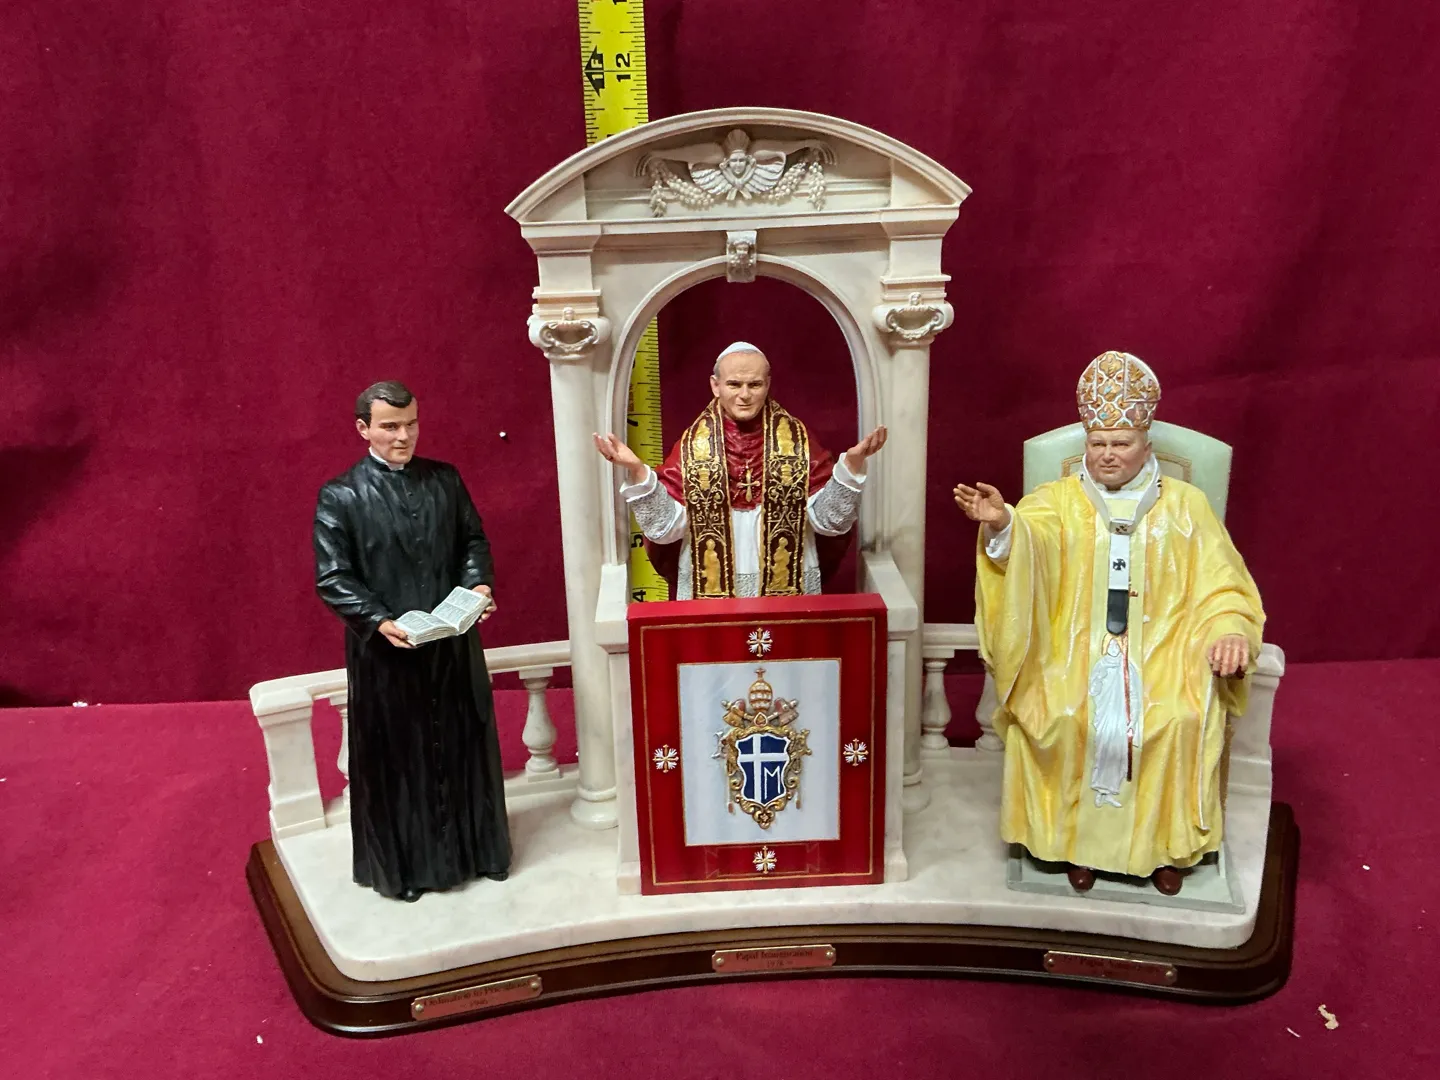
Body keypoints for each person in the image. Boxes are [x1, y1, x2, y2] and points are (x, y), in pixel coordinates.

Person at [954, 351, 1263, 895]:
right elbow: (1026, 550)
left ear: (1147, 445)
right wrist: (1003, 525)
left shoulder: (1186, 507)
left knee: (1176, 718)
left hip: (1167, 653)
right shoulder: (1057, 501)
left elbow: (1223, 584)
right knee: (1065, 713)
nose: (1107, 454)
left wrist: (1231, 629)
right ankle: (1074, 847)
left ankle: (1165, 850)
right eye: (1097, 443)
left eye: (1120, 443)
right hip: (1071, 651)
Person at [312, 381, 510, 902]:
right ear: (364, 429)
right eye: (390, 427)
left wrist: (478, 586)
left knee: (464, 743)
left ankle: (480, 852)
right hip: (388, 656)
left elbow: (472, 541)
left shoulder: (445, 479)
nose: (404, 436)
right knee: (400, 761)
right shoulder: (341, 496)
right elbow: (333, 576)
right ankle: (405, 870)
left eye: (411, 424)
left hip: (452, 646)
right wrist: (378, 620)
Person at [594, 342, 887, 598]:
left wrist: (850, 467)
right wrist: (638, 471)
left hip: (789, 581)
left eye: (754, 385)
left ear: (767, 384)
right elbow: (666, 529)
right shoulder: (692, 446)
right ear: (715, 385)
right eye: (734, 384)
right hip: (708, 582)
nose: (744, 395)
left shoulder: (797, 442)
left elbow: (828, 521)